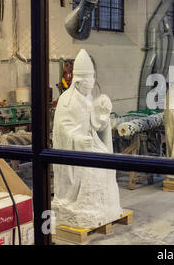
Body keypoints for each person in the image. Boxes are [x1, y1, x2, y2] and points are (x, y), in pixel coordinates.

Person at [52, 49, 123, 229]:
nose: (89, 89)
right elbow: (62, 129)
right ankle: (84, 207)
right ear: (78, 83)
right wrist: (78, 139)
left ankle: (104, 207)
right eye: (87, 85)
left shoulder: (89, 97)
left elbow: (95, 125)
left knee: (107, 161)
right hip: (73, 149)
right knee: (92, 169)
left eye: (91, 85)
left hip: (91, 143)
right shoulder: (66, 101)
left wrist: (103, 117)